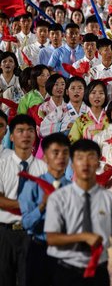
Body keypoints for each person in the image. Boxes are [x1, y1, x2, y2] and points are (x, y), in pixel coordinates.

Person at [44, 139, 112, 286]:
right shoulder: (59, 197)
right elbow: (51, 238)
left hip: (99, 272)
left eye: (91, 157)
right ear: (72, 164)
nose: (85, 163)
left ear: (98, 163)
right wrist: (82, 236)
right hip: (66, 271)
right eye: (79, 158)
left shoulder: (110, 199)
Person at [18, 133, 72, 286]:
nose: (61, 157)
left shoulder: (73, 189)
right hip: (40, 249)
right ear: (46, 157)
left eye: (65, 153)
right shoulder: (33, 185)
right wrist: (42, 206)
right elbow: (26, 223)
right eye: (55, 152)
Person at [0, 115, 47, 286]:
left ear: (35, 135)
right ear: (11, 136)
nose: (25, 135)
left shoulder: (44, 168)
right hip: (5, 234)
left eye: (30, 130)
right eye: (20, 131)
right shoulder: (2, 164)